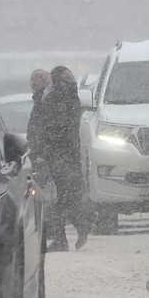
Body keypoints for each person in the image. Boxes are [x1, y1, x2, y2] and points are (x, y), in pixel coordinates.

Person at [36, 66, 94, 252]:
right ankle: (79, 225)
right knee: (66, 195)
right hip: (69, 154)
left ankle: (69, 233)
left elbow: (51, 128)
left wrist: (46, 149)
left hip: (58, 155)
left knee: (58, 198)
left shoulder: (54, 99)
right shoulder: (73, 97)